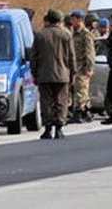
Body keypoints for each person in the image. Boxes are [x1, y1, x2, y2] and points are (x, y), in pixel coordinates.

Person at [30, 9, 76, 140]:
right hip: (63, 75)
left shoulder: (40, 35)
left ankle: (48, 129)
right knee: (61, 102)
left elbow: (34, 57)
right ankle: (59, 129)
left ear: (48, 19)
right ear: (60, 21)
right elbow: (71, 57)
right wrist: (73, 73)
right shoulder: (66, 34)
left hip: (44, 75)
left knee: (46, 103)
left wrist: (34, 74)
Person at [69, 11, 96, 124]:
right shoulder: (72, 33)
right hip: (74, 65)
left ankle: (79, 112)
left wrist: (89, 68)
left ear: (79, 20)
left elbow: (90, 52)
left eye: (74, 19)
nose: (72, 21)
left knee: (80, 89)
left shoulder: (85, 34)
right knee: (79, 90)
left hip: (82, 65)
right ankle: (86, 111)